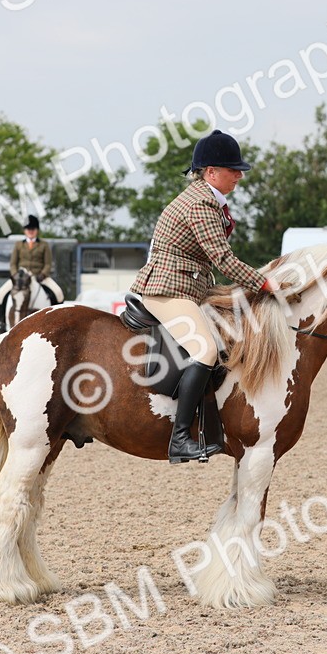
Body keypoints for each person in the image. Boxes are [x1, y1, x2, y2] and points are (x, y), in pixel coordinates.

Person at [130, 129, 285, 464]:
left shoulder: (207, 198)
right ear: (211, 172)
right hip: (168, 288)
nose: (240, 176)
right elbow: (224, 260)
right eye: (233, 170)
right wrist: (266, 284)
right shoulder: (201, 203)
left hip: (190, 286)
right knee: (205, 349)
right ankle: (180, 438)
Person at [0, 215, 64, 333]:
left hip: (39, 276)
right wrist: (15, 275)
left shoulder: (44, 245)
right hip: (21, 277)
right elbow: (13, 264)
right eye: (28, 229)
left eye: (33, 229)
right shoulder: (19, 244)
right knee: (0, 294)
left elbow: (48, 264)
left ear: (37, 230)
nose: (30, 231)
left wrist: (43, 274)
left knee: (59, 293)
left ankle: (58, 322)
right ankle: (2, 323)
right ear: (25, 230)